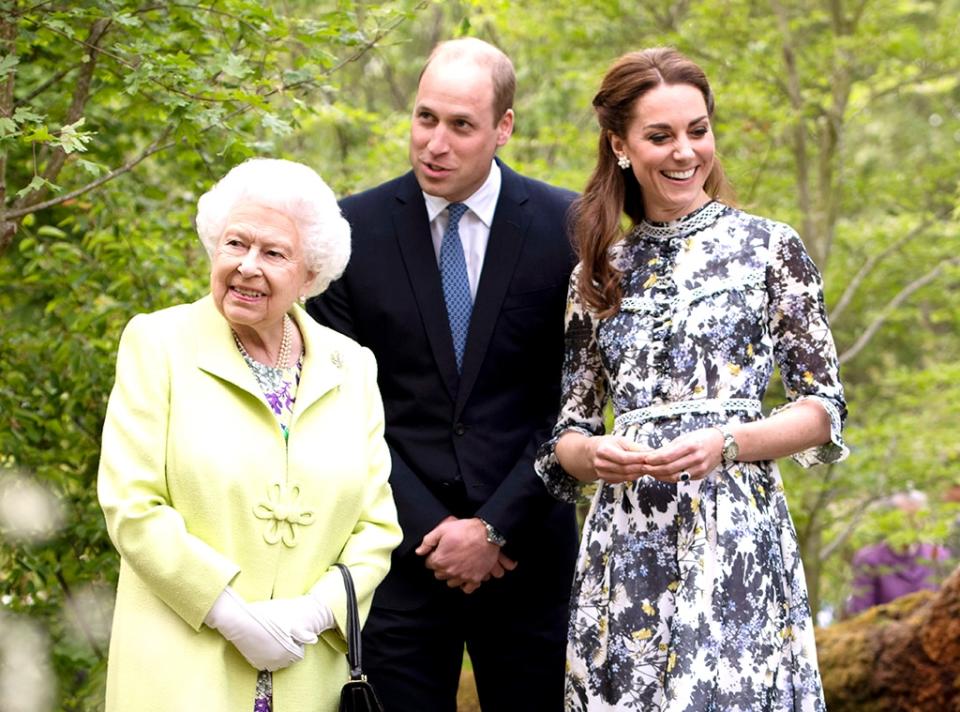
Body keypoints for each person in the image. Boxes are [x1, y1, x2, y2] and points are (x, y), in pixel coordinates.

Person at [534, 48, 849, 711]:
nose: (685, 152)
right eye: (660, 135)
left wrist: (728, 443)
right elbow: (569, 432)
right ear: (620, 145)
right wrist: (595, 454)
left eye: (697, 130)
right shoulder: (597, 273)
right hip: (629, 544)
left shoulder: (770, 249)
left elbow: (821, 408)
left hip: (736, 530)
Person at [307, 37, 579, 711]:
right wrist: (438, 532)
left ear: (503, 128)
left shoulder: (570, 227)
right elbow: (343, 405)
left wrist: (494, 529)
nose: (436, 142)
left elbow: (575, 398)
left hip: (528, 554)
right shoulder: (347, 232)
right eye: (425, 118)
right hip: (398, 557)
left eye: (461, 125)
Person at [97, 158, 402, 712]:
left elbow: (376, 527)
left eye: (274, 253)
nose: (247, 267)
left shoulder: (351, 366)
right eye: (235, 244)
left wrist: (314, 612)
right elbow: (131, 506)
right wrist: (229, 612)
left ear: (310, 276)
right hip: (182, 671)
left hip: (305, 668)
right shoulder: (158, 344)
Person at [846, 490, 951, 615]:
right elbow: (860, 614)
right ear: (890, 521)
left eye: (916, 517)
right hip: (883, 632)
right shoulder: (869, 559)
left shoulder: (939, 556)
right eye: (905, 518)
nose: (911, 524)